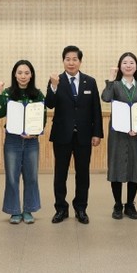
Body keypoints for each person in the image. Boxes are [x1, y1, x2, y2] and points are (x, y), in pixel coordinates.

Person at [45, 45, 103, 225]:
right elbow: (50, 104)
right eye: (68, 59)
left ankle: (81, 208)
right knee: (60, 174)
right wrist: (53, 87)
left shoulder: (90, 82)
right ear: (63, 61)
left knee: (83, 174)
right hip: (62, 135)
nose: (71, 63)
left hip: (84, 136)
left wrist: (97, 133)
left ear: (80, 61)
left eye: (74, 59)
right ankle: (61, 209)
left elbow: (96, 109)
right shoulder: (56, 80)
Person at [0, 60, 46, 224]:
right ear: (15, 75)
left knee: (31, 177)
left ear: (31, 75)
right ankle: (14, 211)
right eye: (20, 73)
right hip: (12, 141)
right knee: (12, 177)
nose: (23, 76)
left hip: (32, 142)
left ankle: (28, 210)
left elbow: (43, 117)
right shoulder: (8, 93)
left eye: (26, 73)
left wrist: (34, 133)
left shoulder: (38, 94)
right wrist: (0, 93)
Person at [101, 52, 137, 220]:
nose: (128, 65)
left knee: (135, 167)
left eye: (131, 62)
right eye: (125, 63)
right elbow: (106, 98)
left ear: (136, 66)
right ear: (120, 66)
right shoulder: (115, 85)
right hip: (118, 134)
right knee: (116, 166)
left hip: (136, 134)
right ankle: (117, 204)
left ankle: (130, 204)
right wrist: (110, 78)